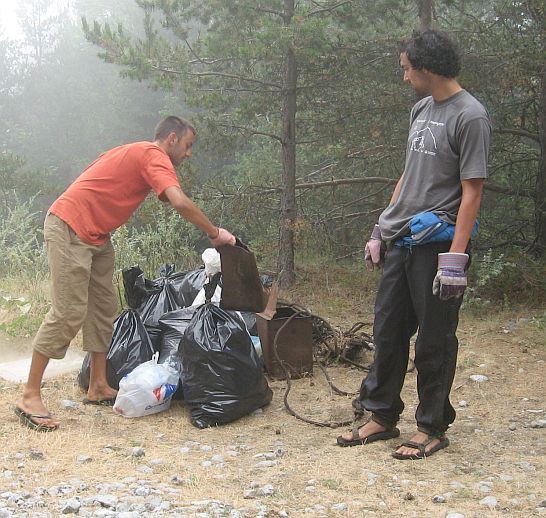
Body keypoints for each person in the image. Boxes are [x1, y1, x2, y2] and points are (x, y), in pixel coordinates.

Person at [14, 115, 236, 431]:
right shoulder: (152, 154)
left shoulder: (138, 153)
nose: (188, 154)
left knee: (104, 309)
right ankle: (29, 394)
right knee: (68, 313)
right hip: (70, 226)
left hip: (97, 236)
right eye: (187, 146)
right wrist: (214, 232)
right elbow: (179, 201)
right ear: (171, 139)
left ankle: (98, 385)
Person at [336, 29, 491, 459]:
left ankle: (432, 426)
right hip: (401, 239)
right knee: (388, 331)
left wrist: (455, 259)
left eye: (406, 69)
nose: (404, 77)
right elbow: (409, 174)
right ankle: (381, 416)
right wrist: (381, 228)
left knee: (433, 340)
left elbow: (472, 191)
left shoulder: (470, 115)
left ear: (425, 68)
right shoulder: (422, 108)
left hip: (436, 243)